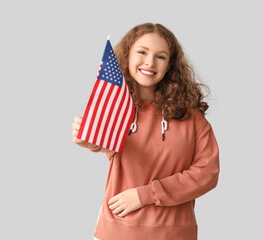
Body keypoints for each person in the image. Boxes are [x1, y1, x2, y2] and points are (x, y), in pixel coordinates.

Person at [72, 23, 219, 240]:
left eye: (161, 56)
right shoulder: (117, 105)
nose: (150, 62)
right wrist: (89, 140)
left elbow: (207, 173)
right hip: (118, 231)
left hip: (174, 233)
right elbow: (110, 147)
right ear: (127, 55)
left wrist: (146, 195)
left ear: (170, 65)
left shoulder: (191, 116)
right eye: (142, 52)